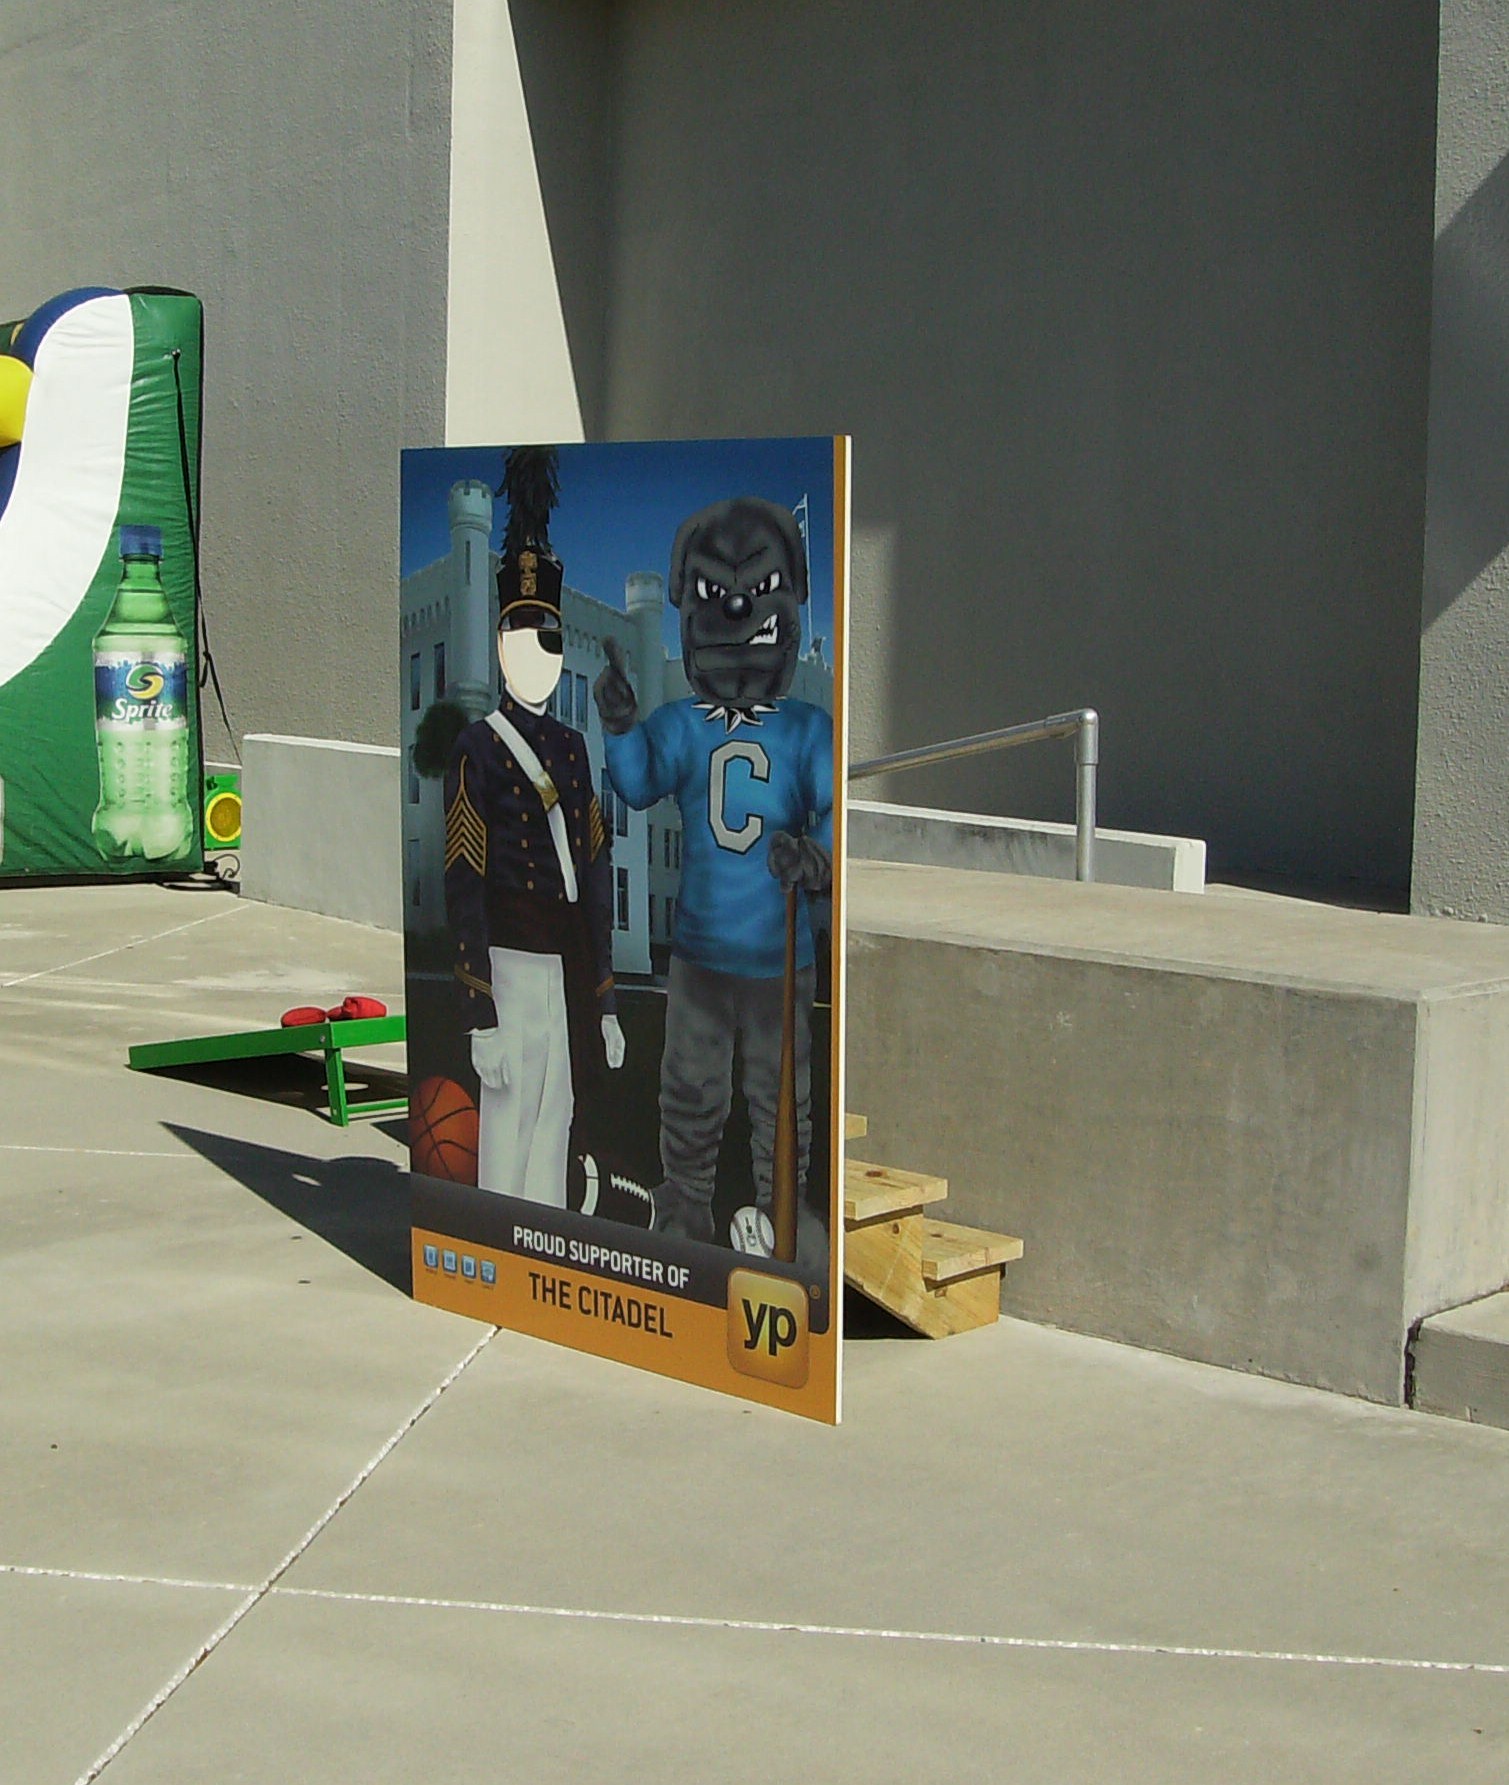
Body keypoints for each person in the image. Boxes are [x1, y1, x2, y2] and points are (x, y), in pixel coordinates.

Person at [444, 547, 624, 1206]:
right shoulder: (477, 747)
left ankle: (542, 1240)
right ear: (500, 648)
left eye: (549, 641)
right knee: (508, 1126)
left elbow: (594, 875)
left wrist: (605, 1000)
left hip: (565, 969)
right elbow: (463, 879)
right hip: (510, 965)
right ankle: (499, 1247)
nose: (538, 656)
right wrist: (480, 1014)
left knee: (556, 1122)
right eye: (522, 639)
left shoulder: (572, 749)